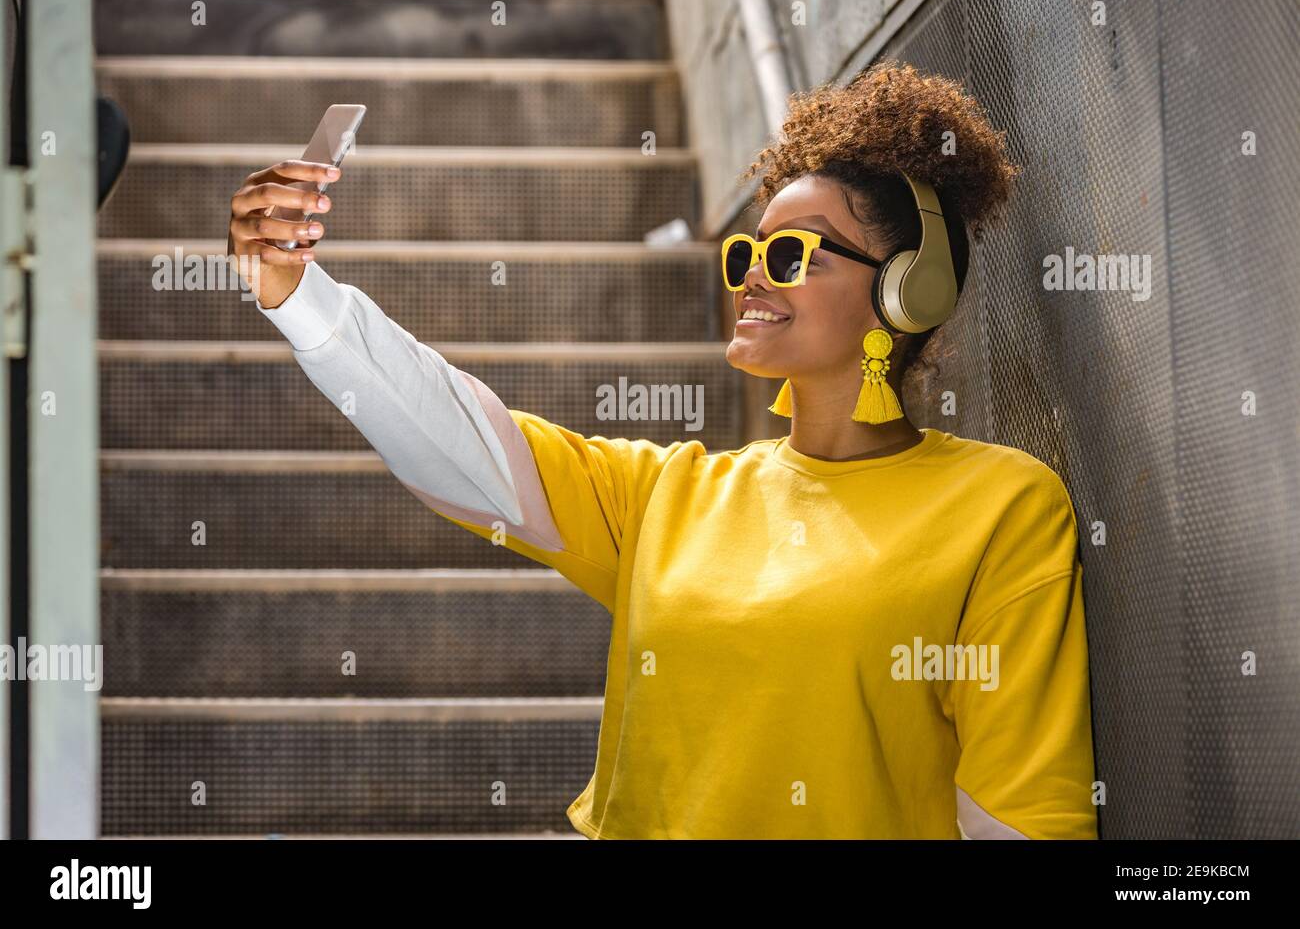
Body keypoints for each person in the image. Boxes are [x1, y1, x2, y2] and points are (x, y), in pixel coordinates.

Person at [226, 61, 1098, 839]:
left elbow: (1018, 818)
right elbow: (456, 440)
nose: (753, 273)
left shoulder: (1003, 508)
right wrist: (301, 297)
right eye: (748, 251)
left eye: (792, 254)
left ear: (909, 289)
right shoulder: (669, 495)